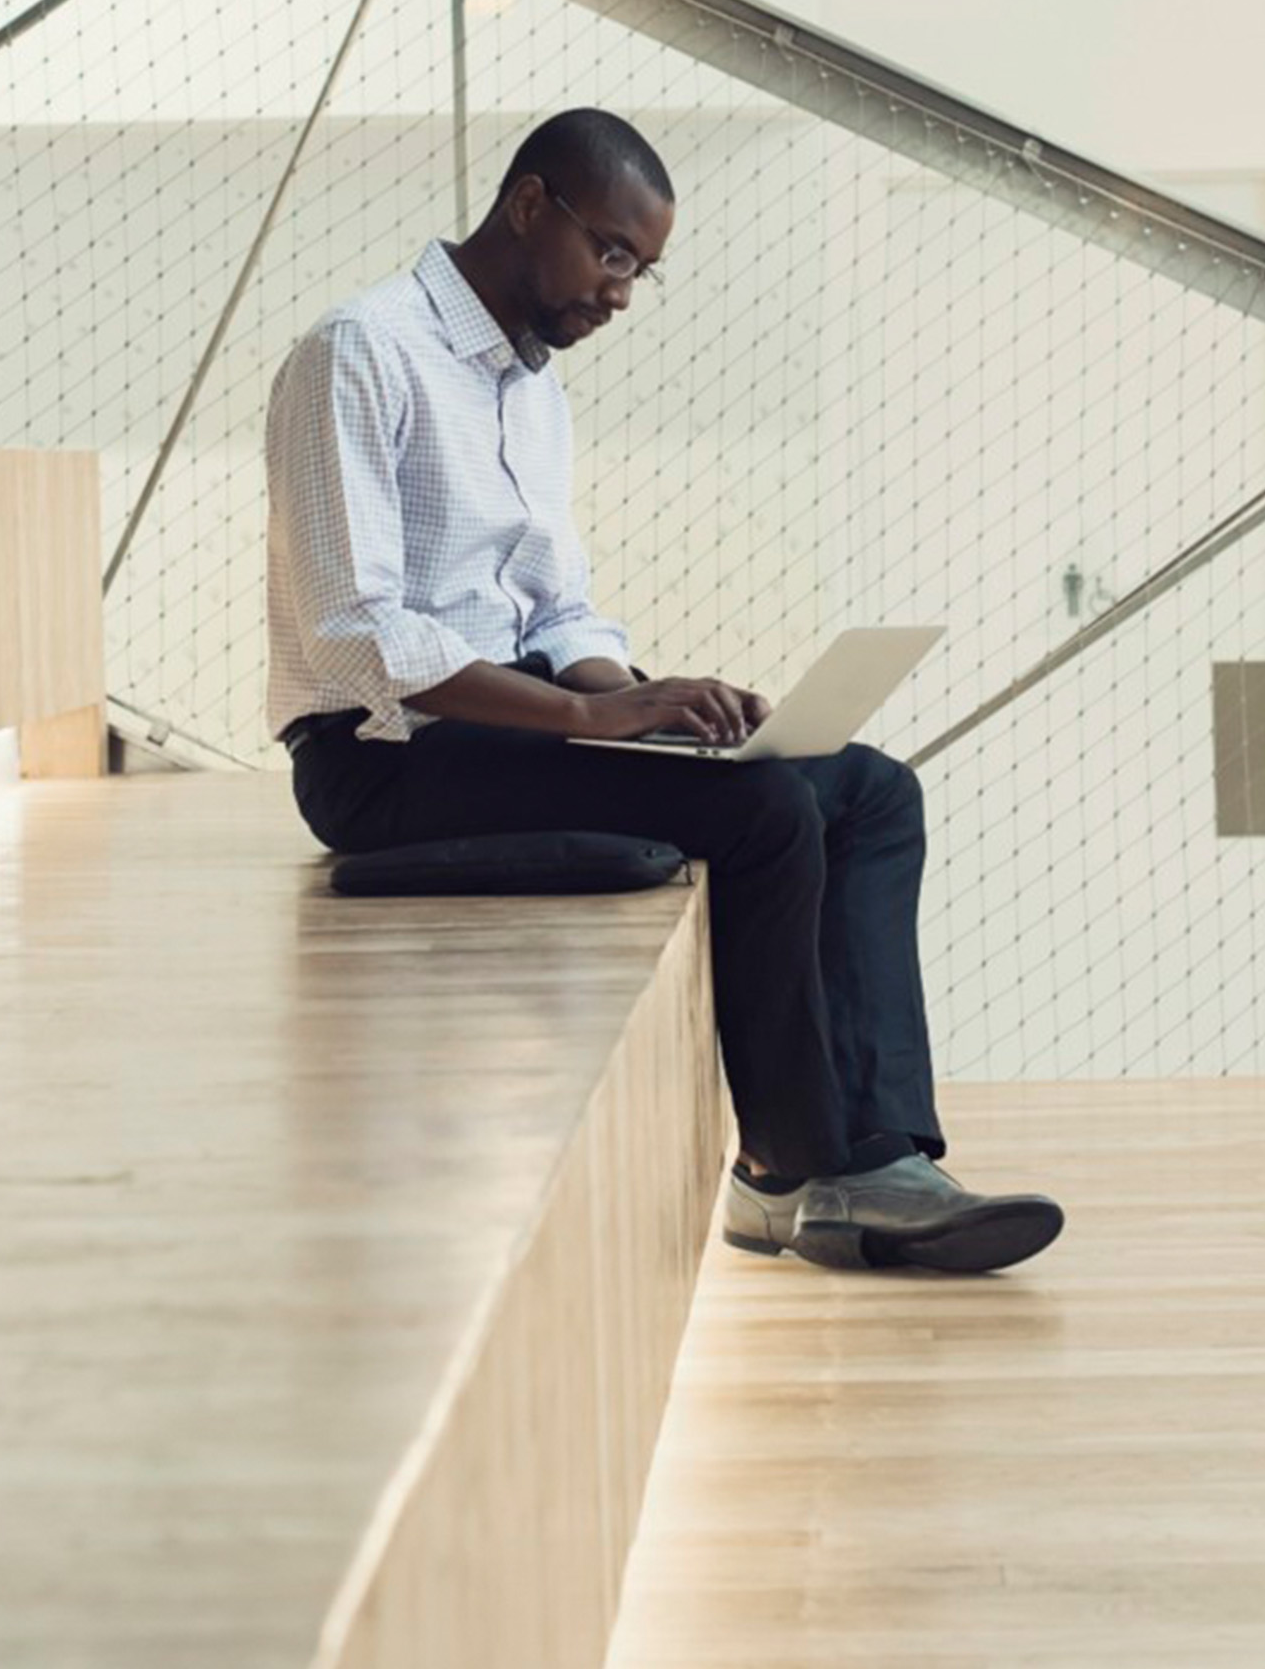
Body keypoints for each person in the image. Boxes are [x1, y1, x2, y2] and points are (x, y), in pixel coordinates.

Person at [265, 107, 1065, 1274]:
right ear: (530, 204)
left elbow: (559, 611)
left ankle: (888, 1154)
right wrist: (593, 718)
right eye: (613, 253)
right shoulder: (361, 351)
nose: (622, 292)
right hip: (382, 758)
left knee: (870, 792)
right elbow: (356, 636)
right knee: (765, 817)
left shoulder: (533, 392)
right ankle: (795, 1171)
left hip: (516, 721)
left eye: (641, 269)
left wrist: (652, 699)